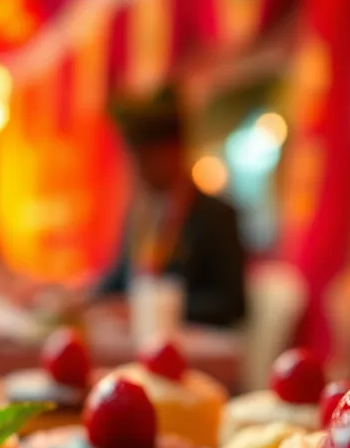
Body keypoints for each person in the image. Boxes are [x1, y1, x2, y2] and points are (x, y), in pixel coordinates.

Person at [97, 90, 247, 327]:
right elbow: (120, 278)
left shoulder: (216, 215)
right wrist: (82, 296)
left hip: (191, 343)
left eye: (146, 160)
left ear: (174, 152)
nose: (139, 172)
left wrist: (144, 309)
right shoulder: (142, 216)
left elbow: (231, 303)